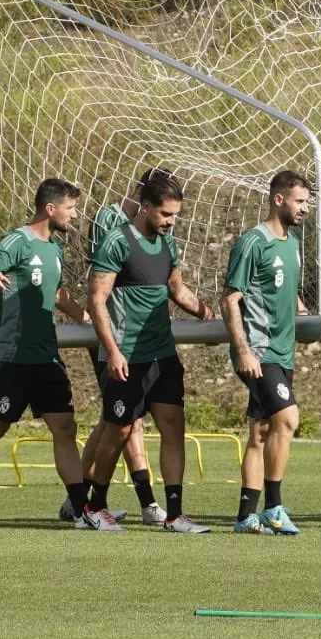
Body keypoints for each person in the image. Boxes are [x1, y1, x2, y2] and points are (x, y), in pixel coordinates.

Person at [0, 179, 93, 529]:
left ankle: (81, 511)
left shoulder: (55, 249)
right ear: (51, 209)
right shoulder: (18, 240)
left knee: (64, 426)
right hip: (12, 358)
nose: (74, 215)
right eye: (71, 208)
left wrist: (83, 315)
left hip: (46, 357)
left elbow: (57, 292)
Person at [83, 172, 216, 533]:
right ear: (145, 206)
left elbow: (178, 290)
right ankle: (94, 507)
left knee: (174, 426)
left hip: (162, 354)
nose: (172, 223)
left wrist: (207, 313)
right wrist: (112, 352)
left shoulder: (168, 245)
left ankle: (174, 515)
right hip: (126, 356)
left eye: (175, 215)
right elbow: (96, 301)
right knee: (119, 431)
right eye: (166, 215)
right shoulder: (117, 242)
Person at [70, 166, 172, 526]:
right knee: (123, 421)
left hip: (139, 341)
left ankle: (78, 500)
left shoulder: (158, 233)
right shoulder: (110, 220)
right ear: (145, 199)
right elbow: (113, 271)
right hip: (116, 335)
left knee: (119, 421)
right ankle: (136, 504)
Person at [225, 170, 311, 535]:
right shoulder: (252, 242)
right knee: (287, 420)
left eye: (307, 202)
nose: (306, 209)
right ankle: (274, 507)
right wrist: (243, 351)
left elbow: (286, 290)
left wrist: (303, 313)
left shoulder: (291, 243)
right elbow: (231, 298)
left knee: (261, 432)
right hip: (259, 352)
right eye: (300, 201)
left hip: (282, 351)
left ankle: (246, 516)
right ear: (279, 199)